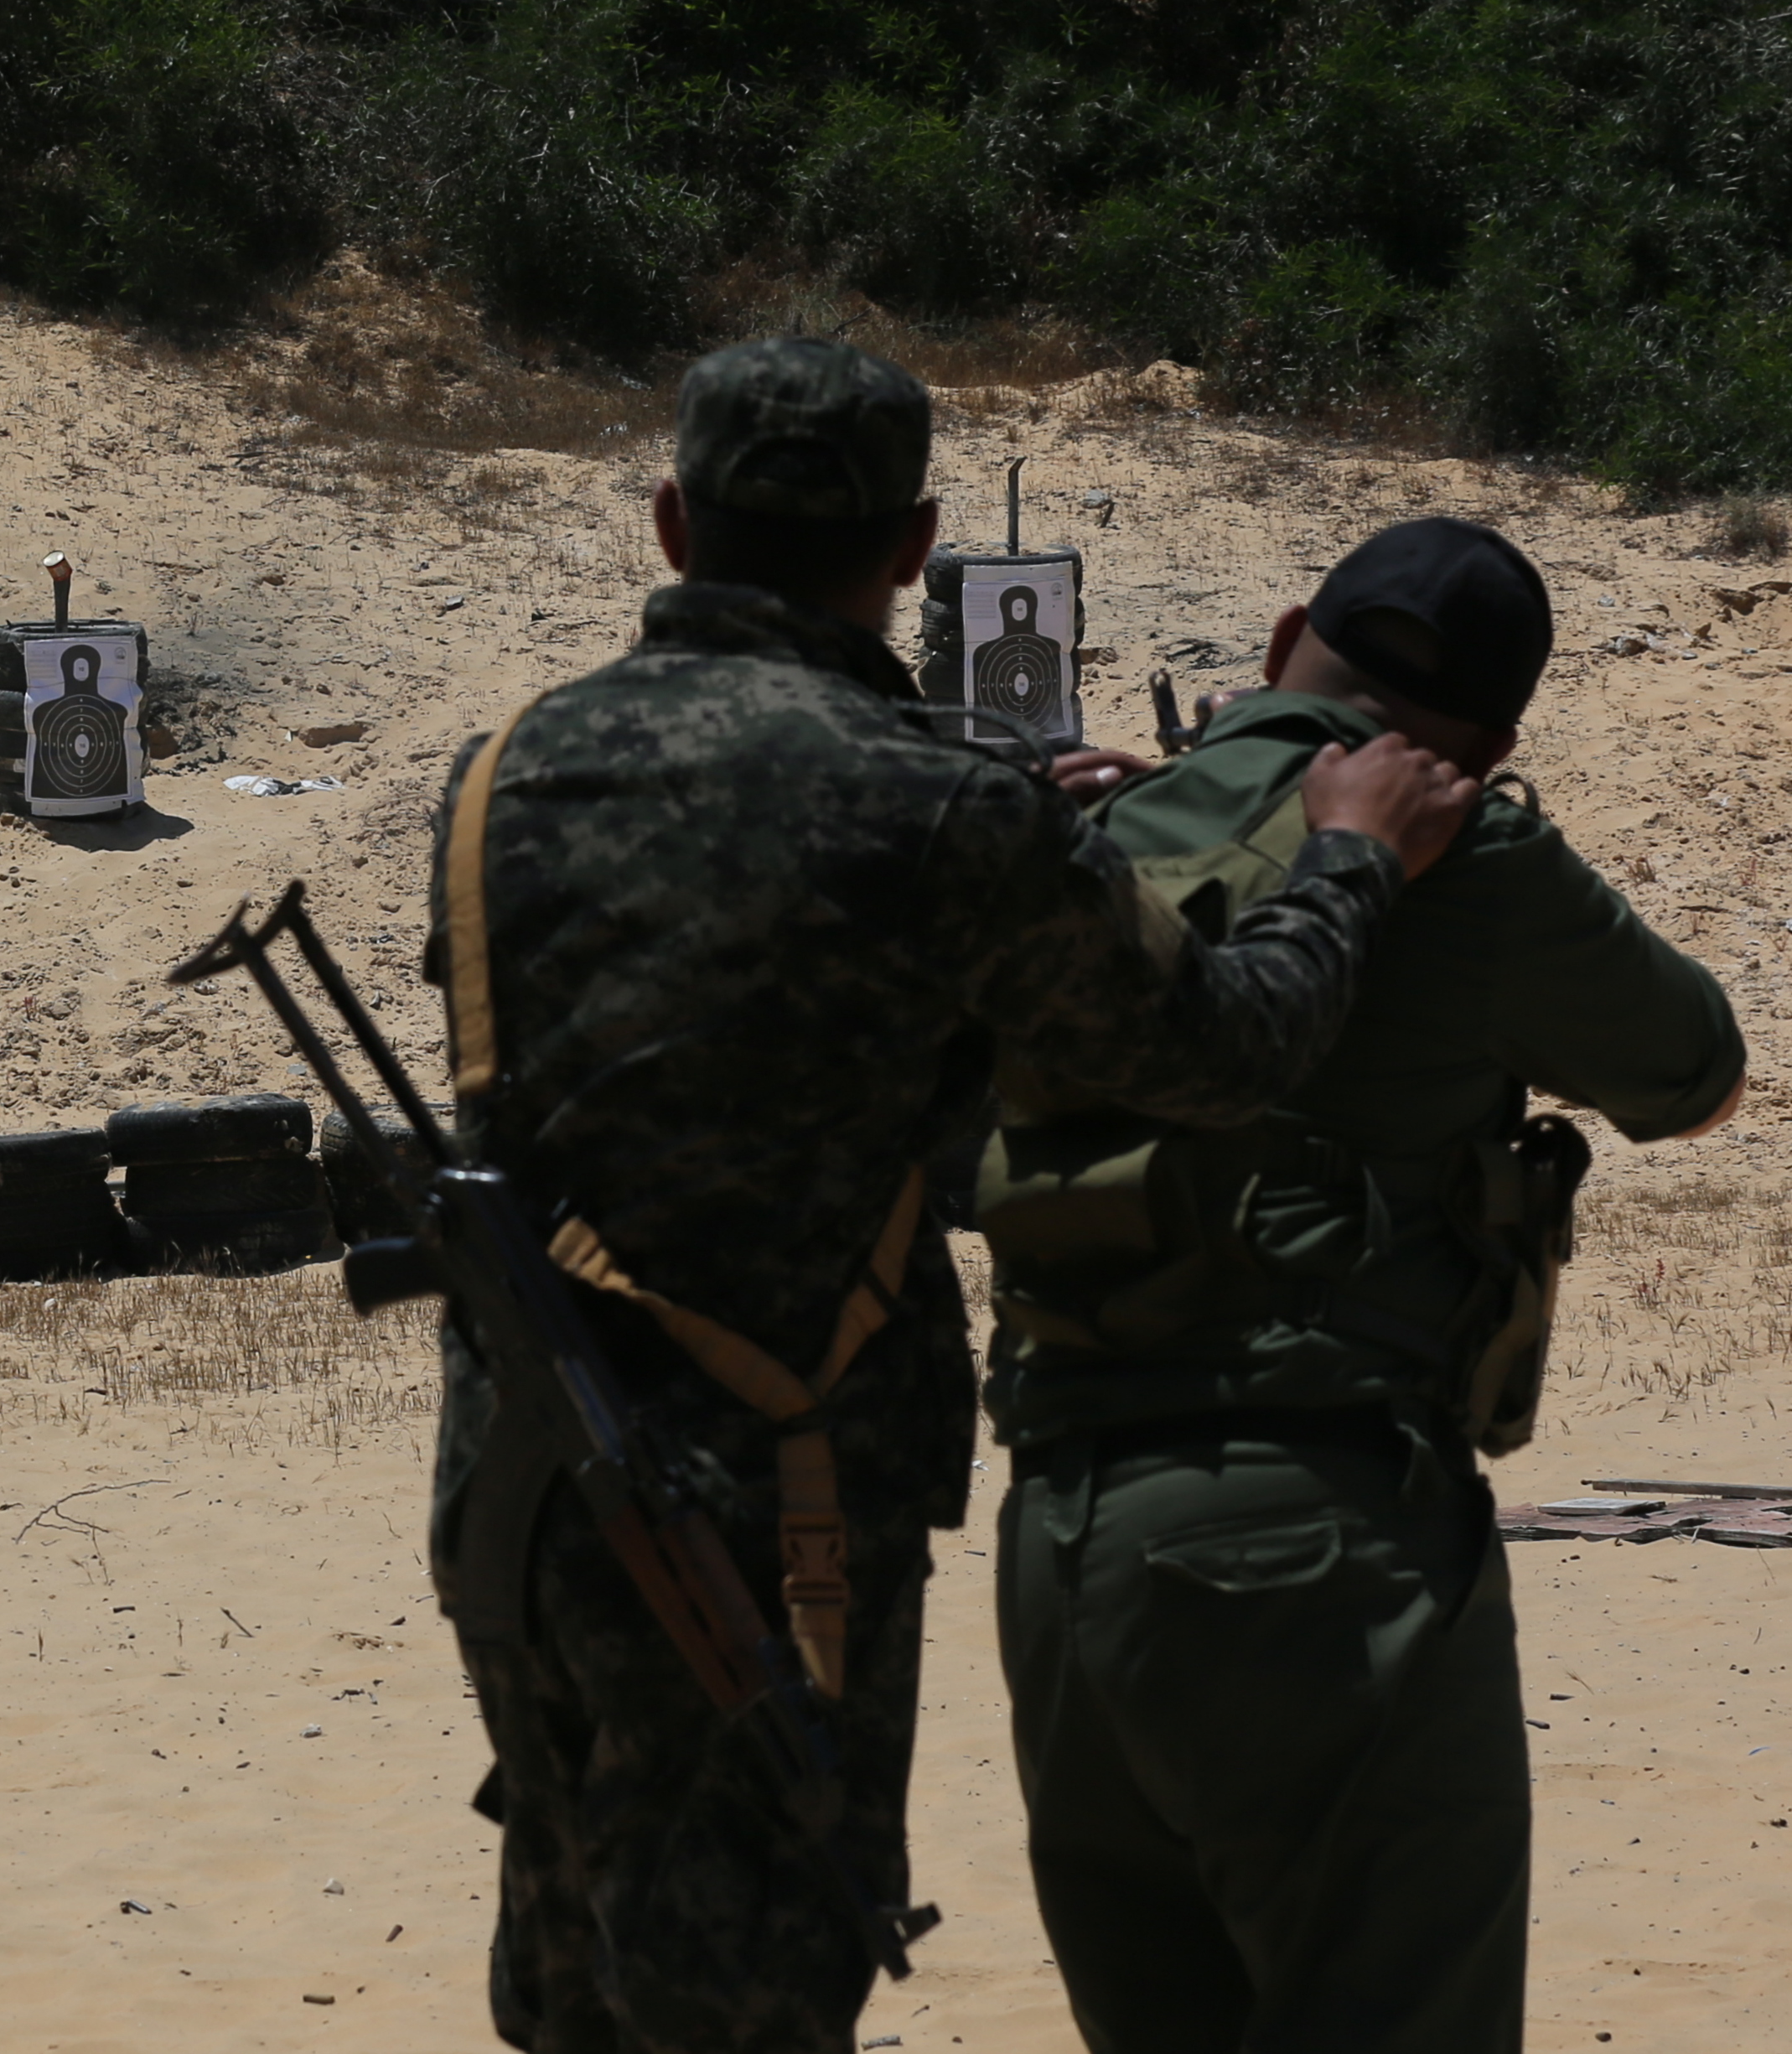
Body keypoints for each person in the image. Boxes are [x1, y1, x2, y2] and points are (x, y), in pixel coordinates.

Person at [420, 337, 1478, 2054]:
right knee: (748, 1990)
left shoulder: (503, 770)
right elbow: (1223, 1051)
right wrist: (1351, 853)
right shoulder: (928, 812)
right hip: (766, 1516)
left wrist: (1006, 845)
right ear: (917, 551)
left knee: (569, 1985)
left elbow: (703, 1028)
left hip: (520, 1490)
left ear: (673, 520)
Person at [992, 518, 1748, 2054]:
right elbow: (1695, 1070)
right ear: (1493, 739)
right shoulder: (1471, 857)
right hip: (1316, 1543)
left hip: (1062, 1540)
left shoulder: (1089, 837)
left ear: (1280, 643)